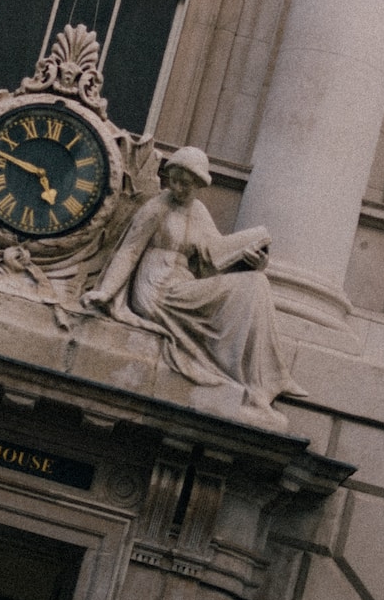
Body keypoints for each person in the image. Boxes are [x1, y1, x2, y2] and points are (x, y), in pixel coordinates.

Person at [82, 146, 303, 415]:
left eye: (185, 183)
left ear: (198, 184)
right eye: (173, 180)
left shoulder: (198, 212)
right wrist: (105, 292)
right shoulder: (157, 208)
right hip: (157, 289)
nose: (177, 188)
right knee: (246, 291)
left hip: (184, 284)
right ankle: (252, 378)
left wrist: (255, 261)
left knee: (256, 283)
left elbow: (214, 255)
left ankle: (263, 381)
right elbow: (129, 251)